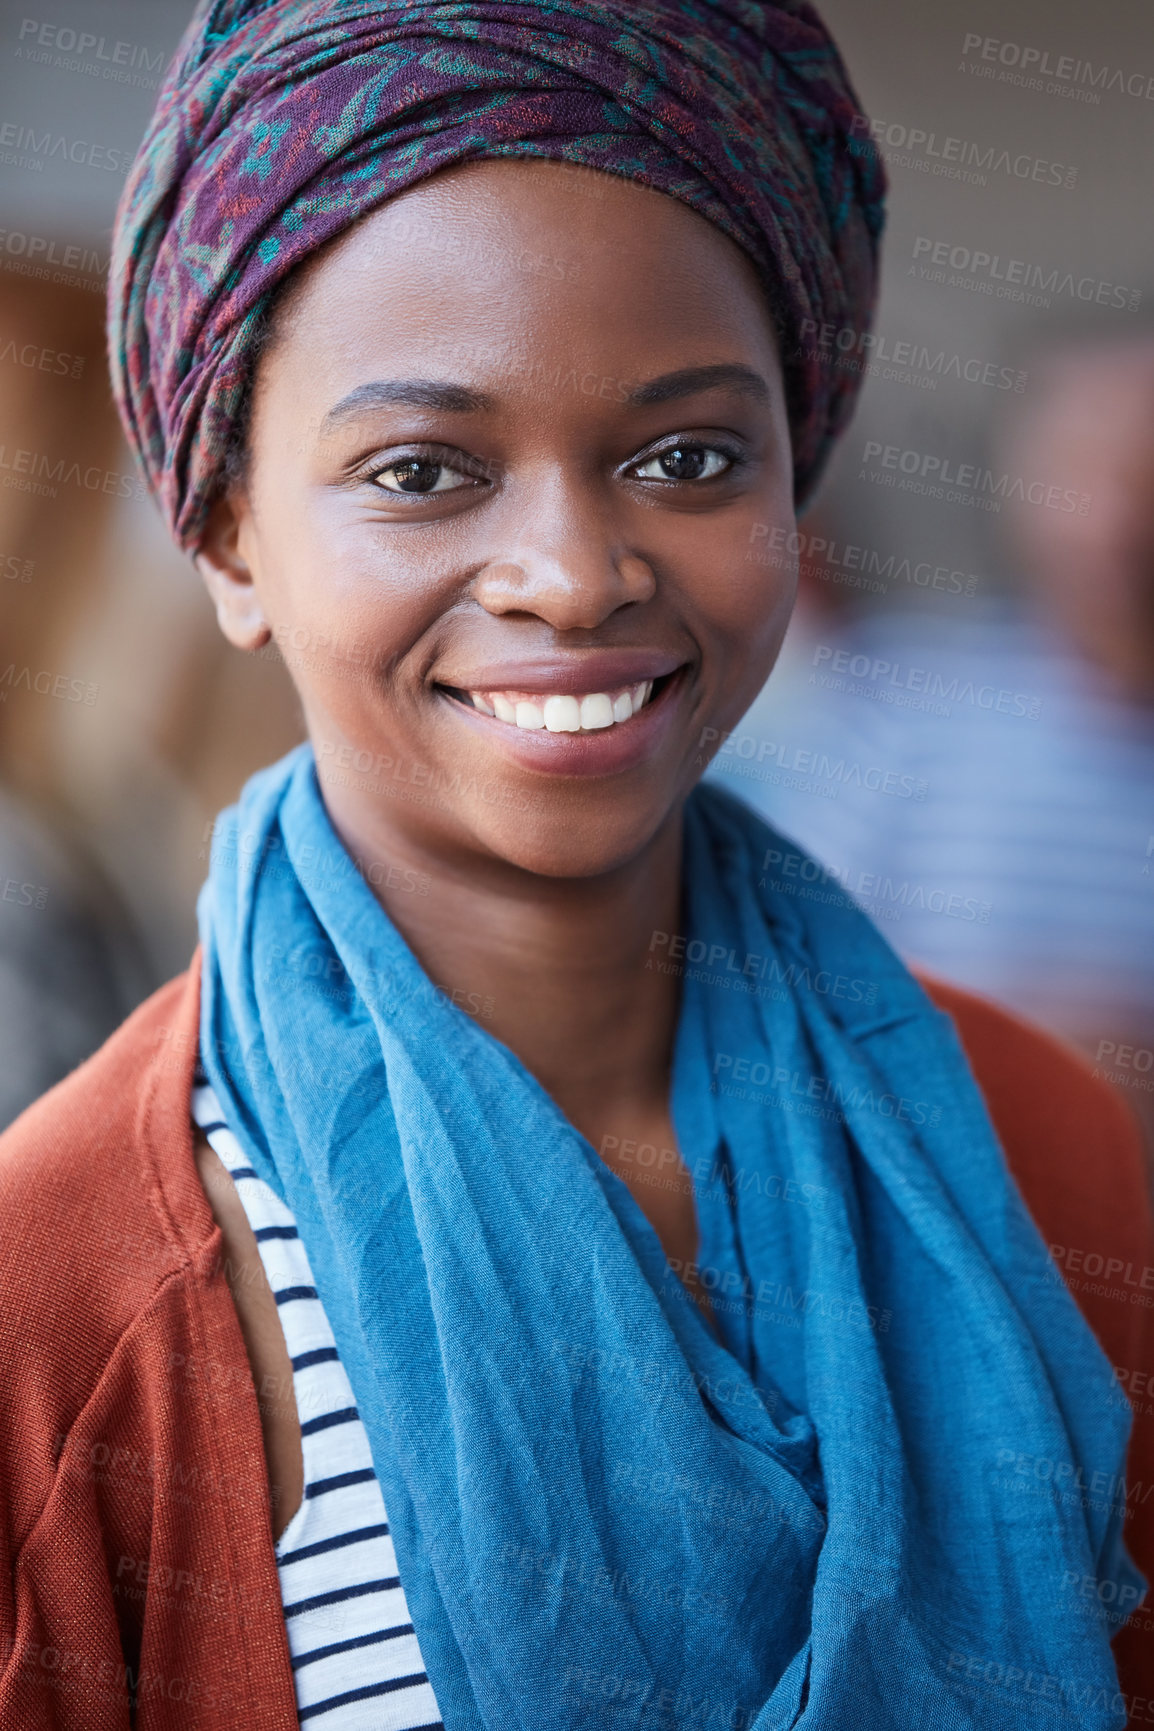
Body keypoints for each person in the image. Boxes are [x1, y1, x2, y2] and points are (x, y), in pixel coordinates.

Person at [0, 2, 1151, 1727]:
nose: (570, 571)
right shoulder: (62, 1296)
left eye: (686, 456)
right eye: (421, 470)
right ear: (230, 535)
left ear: (794, 477)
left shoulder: (1038, 1144)